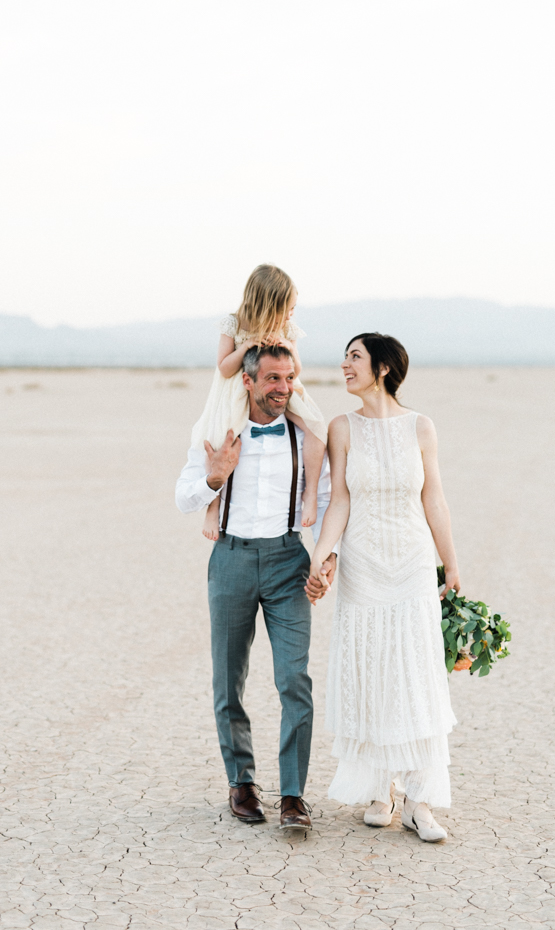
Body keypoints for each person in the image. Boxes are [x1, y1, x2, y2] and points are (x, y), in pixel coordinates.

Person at [308, 333, 460, 842]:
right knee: (372, 669)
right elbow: (341, 501)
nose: (345, 365)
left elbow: (434, 498)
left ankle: (420, 801)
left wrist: (451, 563)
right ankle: (380, 788)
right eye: (345, 357)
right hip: (364, 565)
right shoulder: (341, 427)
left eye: (355, 357)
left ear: (384, 368)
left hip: (413, 564)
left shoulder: (421, 427)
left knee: (415, 672)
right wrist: (323, 553)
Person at [176, 343, 333, 828]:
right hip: (232, 561)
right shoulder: (217, 434)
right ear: (248, 381)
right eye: (272, 379)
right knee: (229, 678)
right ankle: (241, 782)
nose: (283, 388)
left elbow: (325, 500)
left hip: (289, 561)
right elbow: (184, 498)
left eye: (288, 379)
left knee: (294, 680)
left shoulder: (304, 437)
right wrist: (215, 479)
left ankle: (292, 795)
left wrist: (326, 559)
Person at [191, 264, 327, 542]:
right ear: (269, 304)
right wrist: (246, 346)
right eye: (288, 307)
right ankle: (212, 506)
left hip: (282, 387)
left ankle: (310, 492)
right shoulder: (234, 323)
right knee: (220, 439)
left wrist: (286, 346)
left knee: (316, 426)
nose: (292, 314)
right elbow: (225, 368)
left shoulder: (286, 328)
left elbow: (296, 369)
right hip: (237, 389)